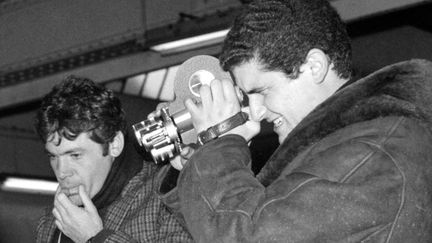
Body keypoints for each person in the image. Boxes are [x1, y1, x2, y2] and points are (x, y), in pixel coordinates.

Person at [155, 0, 432, 242]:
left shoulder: (375, 154)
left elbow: (249, 236)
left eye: (262, 91)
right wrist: (195, 166)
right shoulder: (342, 146)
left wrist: (219, 145)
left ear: (314, 66)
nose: (257, 111)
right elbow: (248, 223)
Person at [34, 76, 193, 243]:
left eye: (75, 155)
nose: (62, 172)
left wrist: (96, 238)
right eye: (53, 156)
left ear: (114, 145)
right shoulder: (51, 224)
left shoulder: (166, 203)